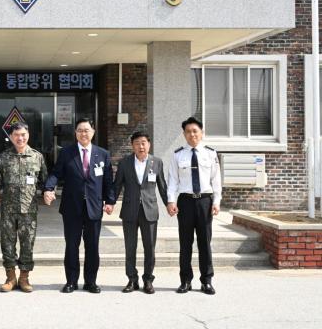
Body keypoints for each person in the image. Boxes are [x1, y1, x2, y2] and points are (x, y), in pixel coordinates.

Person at [43, 118, 115, 294]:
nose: (83, 133)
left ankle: (91, 282)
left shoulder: (103, 154)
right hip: (72, 207)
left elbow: (107, 180)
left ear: (93, 132)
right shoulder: (66, 153)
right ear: (75, 133)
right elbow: (56, 173)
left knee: (92, 246)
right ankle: (71, 281)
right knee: (71, 245)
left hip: (94, 207)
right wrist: (48, 188)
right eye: (80, 130)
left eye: (86, 130)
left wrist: (110, 200)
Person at [167, 116, 222, 295]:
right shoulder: (177, 155)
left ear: (202, 133)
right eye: (188, 132)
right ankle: (185, 280)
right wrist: (171, 201)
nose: (192, 134)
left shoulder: (210, 153)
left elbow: (216, 180)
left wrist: (216, 201)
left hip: (204, 201)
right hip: (186, 201)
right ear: (184, 134)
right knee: (185, 243)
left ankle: (206, 281)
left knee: (204, 243)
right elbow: (173, 181)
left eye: (195, 131)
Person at [0, 122, 48, 292]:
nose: (20, 138)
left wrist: (48, 192)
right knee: (7, 243)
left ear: (28, 135)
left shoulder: (37, 157)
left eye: (23, 134)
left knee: (27, 244)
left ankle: (24, 278)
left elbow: (45, 181)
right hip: (8, 209)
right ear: (11, 137)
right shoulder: (3, 157)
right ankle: (10, 277)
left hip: (28, 211)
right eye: (16, 135)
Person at [113, 131, 167, 294]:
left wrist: (169, 203)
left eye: (143, 142)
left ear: (149, 144)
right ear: (132, 146)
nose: (141, 146)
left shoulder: (156, 162)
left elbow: (162, 185)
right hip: (129, 211)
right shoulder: (124, 163)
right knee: (130, 247)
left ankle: (148, 280)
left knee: (149, 247)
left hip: (149, 210)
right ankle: (132, 279)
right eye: (137, 143)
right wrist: (110, 202)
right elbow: (117, 185)